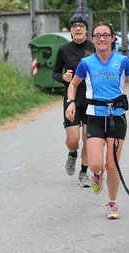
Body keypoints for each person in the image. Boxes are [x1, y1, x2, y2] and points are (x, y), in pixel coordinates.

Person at [65, 22, 129, 219]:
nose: (101, 39)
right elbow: (72, 85)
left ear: (113, 38)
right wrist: (71, 102)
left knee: (112, 165)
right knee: (96, 165)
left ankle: (113, 203)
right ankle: (97, 175)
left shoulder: (123, 61)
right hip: (95, 117)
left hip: (117, 118)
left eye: (105, 35)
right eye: (97, 35)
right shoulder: (86, 63)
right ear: (93, 39)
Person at [52, 15, 95, 188]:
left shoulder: (94, 47)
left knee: (87, 137)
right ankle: (72, 154)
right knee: (73, 140)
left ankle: (84, 172)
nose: (78, 28)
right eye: (74, 26)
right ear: (70, 30)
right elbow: (54, 72)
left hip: (91, 97)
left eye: (81, 25)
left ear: (86, 29)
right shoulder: (64, 50)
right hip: (71, 98)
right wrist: (62, 77)